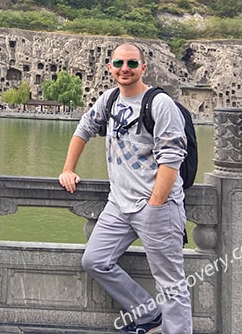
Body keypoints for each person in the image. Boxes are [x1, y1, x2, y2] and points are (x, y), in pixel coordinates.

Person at [58, 43, 191, 334]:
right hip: (118, 206)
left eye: (132, 63)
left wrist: (155, 204)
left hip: (157, 207)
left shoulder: (160, 104)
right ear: (110, 67)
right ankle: (147, 314)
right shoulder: (109, 100)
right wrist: (68, 169)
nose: (125, 69)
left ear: (144, 67)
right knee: (95, 261)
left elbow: (172, 158)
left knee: (170, 284)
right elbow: (83, 129)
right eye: (118, 63)